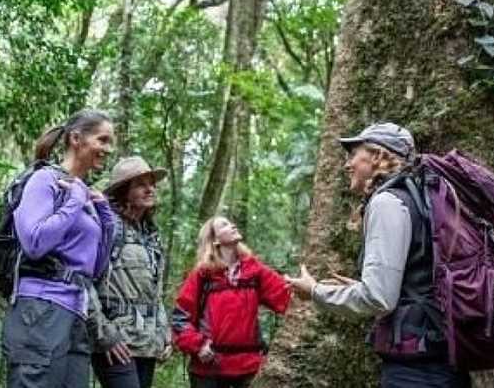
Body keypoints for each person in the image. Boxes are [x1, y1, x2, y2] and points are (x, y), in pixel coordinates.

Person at [286, 122, 471, 388]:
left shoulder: (388, 203)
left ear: (377, 156)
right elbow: (417, 278)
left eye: (353, 155)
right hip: (441, 360)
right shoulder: (420, 199)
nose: (346, 165)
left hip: (416, 371)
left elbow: (378, 298)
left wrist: (314, 291)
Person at [2, 109, 116, 388]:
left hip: (77, 311)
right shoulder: (46, 180)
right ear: (76, 139)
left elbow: (96, 268)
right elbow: (34, 243)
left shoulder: (84, 194)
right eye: (102, 140)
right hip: (41, 308)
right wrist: (75, 200)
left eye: (110, 142)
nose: (108, 149)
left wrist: (105, 217)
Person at [172, 216, 291, 388]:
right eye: (224, 225)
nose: (233, 225)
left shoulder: (254, 269)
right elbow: (180, 318)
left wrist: (317, 289)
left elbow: (286, 296)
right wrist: (198, 345)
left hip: (249, 367)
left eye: (230, 223)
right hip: (208, 369)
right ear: (214, 240)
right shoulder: (203, 275)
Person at [89, 156, 172, 388]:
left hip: (146, 342)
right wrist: (104, 334)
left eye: (152, 184)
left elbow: (154, 291)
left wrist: (163, 332)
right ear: (124, 191)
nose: (150, 189)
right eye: (141, 184)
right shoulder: (107, 225)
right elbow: (84, 283)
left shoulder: (150, 233)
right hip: (116, 341)